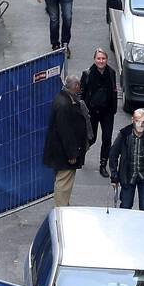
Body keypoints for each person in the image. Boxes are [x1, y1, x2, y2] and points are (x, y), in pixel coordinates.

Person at [42, 76, 92, 207]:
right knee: (64, 183)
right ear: (75, 87)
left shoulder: (63, 99)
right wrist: (72, 154)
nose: (80, 88)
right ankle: (61, 210)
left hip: (60, 151)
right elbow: (66, 132)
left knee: (63, 182)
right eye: (79, 85)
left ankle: (62, 206)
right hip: (64, 154)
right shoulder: (65, 105)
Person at [108, 108, 144, 211]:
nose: (140, 124)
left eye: (143, 122)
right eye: (138, 121)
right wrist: (114, 176)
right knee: (125, 206)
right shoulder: (124, 135)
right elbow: (113, 154)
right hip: (128, 176)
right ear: (132, 120)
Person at [80, 48, 117, 177]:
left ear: (106, 59)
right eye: (99, 58)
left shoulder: (111, 72)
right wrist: (82, 111)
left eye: (103, 59)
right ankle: (81, 152)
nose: (101, 61)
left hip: (107, 112)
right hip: (92, 112)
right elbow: (82, 93)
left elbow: (114, 90)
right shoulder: (88, 74)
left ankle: (103, 165)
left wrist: (113, 109)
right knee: (92, 138)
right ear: (94, 59)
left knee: (107, 139)